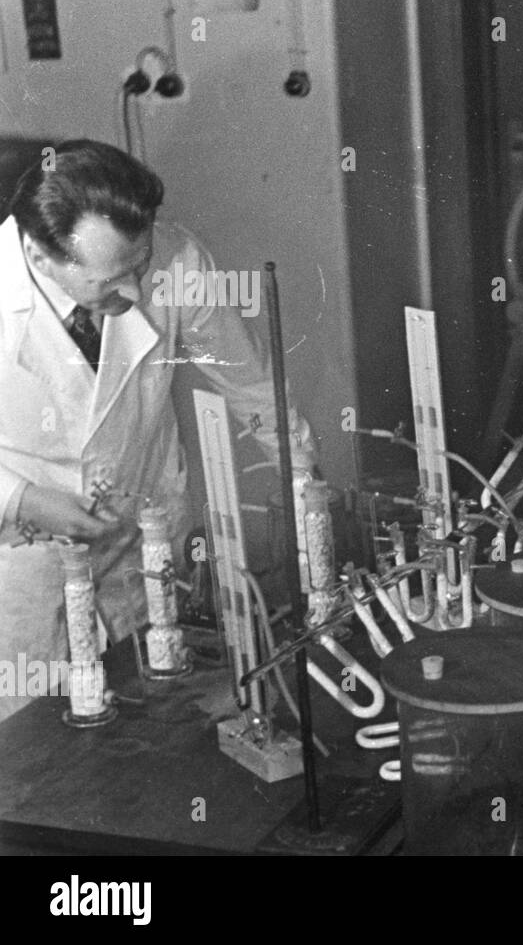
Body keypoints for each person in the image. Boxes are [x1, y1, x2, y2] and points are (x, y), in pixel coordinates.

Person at [0, 139, 316, 722]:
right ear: (40, 258)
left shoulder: (177, 259)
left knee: (151, 722)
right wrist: (23, 500)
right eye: (112, 280)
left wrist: (309, 497)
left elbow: (250, 387)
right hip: (20, 566)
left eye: (140, 265)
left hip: (138, 543)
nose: (138, 293)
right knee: (29, 752)